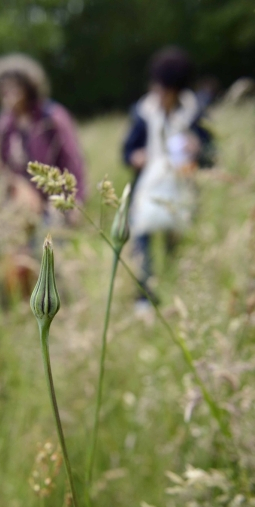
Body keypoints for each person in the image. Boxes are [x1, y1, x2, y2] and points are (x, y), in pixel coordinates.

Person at [0, 53, 86, 297]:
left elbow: (73, 160)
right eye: (3, 88)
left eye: (14, 86)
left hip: (53, 202)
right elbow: (1, 166)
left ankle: (67, 309)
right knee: (16, 262)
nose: (9, 93)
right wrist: (14, 186)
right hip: (20, 205)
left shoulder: (52, 117)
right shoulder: (3, 126)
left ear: (29, 86)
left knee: (53, 260)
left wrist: (75, 201)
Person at [122, 47, 214, 313]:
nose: (161, 94)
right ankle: (145, 300)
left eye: (167, 89)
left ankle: (177, 299)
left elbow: (211, 156)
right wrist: (135, 157)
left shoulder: (195, 114)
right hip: (146, 192)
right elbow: (127, 150)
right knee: (142, 245)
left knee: (176, 247)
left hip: (181, 190)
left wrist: (198, 148)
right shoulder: (142, 113)